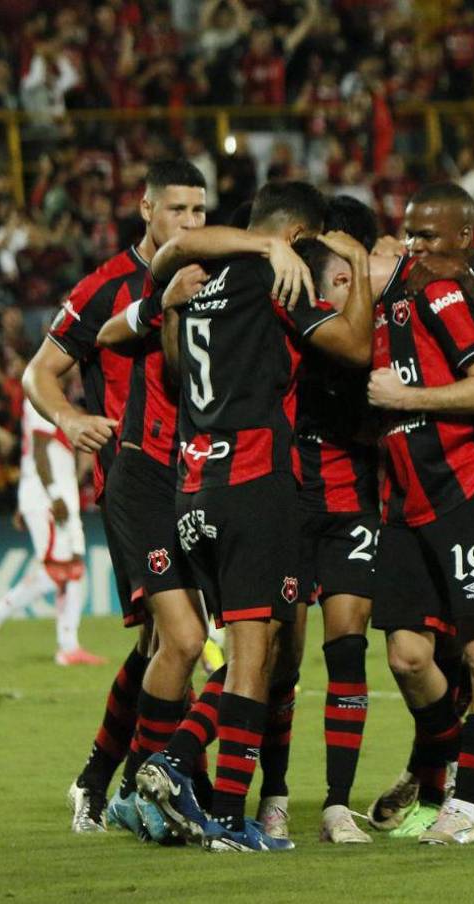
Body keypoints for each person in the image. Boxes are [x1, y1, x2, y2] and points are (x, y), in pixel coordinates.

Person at [132, 181, 374, 853]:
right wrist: (355, 274)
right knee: (253, 658)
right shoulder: (278, 278)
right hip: (254, 481)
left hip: (193, 487)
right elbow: (356, 350)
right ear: (300, 237)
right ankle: (194, 779)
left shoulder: (200, 282)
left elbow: (174, 258)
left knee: (252, 651)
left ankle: (215, 805)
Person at [21, 160, 204, 834]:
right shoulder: (105, 287)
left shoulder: (205, 276)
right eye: (179, 209)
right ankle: (141, 783)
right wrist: (69, 420)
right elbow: (38, 371)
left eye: (200, 212)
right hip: (137, 477)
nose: (191, 223)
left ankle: (100, 777)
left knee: (163, 643)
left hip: (199, 479)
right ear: (146, 208)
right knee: (183, 639)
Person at [363, 182, 474, 846]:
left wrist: (407, 396)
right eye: (409, 231)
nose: (414, 244)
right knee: (405, 655)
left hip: (462, 495)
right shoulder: (387, 296)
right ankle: (441, 764)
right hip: (402, 504)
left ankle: (464, 809)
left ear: (463, 240)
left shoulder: (442, 293)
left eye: (429, 235)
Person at [288, 195, 400, 843]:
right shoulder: (297, 301)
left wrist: (361, 267)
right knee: (281, 655)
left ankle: (335, 803)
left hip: (354, 490)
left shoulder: (379, 304)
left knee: (348, 645)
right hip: (293, 487)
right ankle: (273, 794)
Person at [0, 392, 103, 667]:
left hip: (57, 496)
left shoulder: (55, 399)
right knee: (57, 571)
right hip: (49, 498)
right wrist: (52, 494)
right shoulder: (40, 398)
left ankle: (69, 647)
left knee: (75, 570)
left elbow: (37, 453)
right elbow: (40, 448)